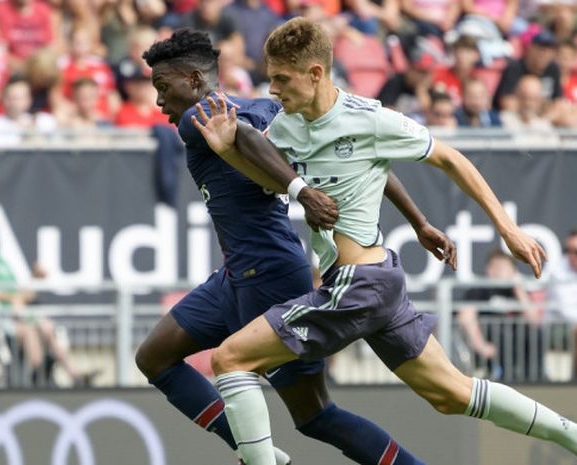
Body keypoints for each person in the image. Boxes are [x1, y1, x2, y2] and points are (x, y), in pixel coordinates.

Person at [190, 17, 577, 465]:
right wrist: (227, 153)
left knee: (230, 360)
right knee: (452, 393)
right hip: (379, 285)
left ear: (315, 73)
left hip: (358, 283)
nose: (273, 89)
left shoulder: (368, 118)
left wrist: (507, 229)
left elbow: (451, 159)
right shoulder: (287, 127)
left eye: (282, 78)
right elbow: (276, 182)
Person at [140, 29, 457, 465]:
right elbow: (361, 158)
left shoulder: (204, 118)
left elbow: (247, 140)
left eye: (163, 87)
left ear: (195, 80)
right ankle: (260, 452)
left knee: (315, 414)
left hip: (271, 278)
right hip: (235, 277)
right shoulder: (266, 108)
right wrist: (419, 222)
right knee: (154, 357)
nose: (159, 102)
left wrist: (301, 190)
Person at [0, 213, 88, 387]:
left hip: (19, 313)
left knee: (46, 327)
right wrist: (12, 297)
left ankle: (75, 377)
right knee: (28, 331)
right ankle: (39, 378)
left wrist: (34, 279)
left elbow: (22, 294)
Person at [457, 249, 543, 381]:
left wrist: (519, 289)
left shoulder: (519, 292)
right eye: (493, 267)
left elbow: (534, 321)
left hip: (518, 346)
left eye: (502, 267)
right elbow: (466, 317)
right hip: (492, 344)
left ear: (513, 271)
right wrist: (481, 346)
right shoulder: (479, 290)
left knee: (535, 335)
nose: (496, 271)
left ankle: (535, 378)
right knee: (503, 334)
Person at [548, 229, 577, 379]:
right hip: (557, 330)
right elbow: (566, 311)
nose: (572, 255)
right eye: (569, 250)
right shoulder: (558, 271)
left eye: (576, 251)